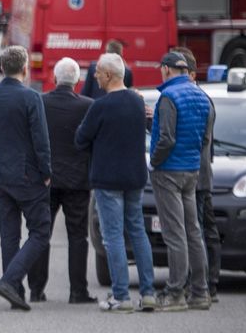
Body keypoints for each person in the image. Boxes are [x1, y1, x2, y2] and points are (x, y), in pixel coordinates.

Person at [74, 53, 157, 313]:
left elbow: (80, 139)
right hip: (135, 177)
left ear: (108, 75)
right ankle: (149, 293)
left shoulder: (99, 106)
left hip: (107, 178)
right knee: (137, 232)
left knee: (113, 236)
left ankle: (121, 295)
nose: (94, 76)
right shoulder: (137, 101)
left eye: (98, 72)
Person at [0, 45, 52, 312]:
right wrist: (46, 173)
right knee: (41, 230)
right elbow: (40, 141)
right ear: (25, 68)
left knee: (9, 234)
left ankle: (15, 290)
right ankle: (10, 281)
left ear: (1, 68)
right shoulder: (32, 98)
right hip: (27, 174)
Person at [26, 58, 97, 304]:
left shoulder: (40, 102)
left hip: (45, 180)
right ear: (78, 81)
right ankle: (78, 291)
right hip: (78, 181)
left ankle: (36, 290)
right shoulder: (89, 105)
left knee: (40, 233)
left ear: (55, 79)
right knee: (78, 236)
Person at [150, 51, 213, 311]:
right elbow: (205, 139)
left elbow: (166, 138)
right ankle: (200, 292)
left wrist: (154, 160)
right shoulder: (202, 96)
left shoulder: (168, 97)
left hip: (169, 171)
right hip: (191, 171)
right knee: (193, 231)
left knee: (174, 234)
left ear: (166, 69)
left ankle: (175, 292)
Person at [175, 46, 220, 302]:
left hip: (195, 175)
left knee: (196, 231)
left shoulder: (195, 99)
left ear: (191, 73)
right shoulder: (201, 98)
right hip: (200, 175)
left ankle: (200, 285)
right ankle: (207, 284)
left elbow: (187, 138)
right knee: (203, 229)